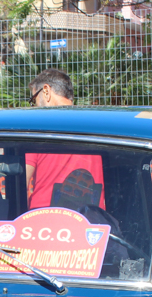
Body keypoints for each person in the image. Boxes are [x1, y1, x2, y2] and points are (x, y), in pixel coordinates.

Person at [24, 69, 106, 211]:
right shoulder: (99, 127)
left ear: (46, 91)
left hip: (43, 219)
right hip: (90, 221)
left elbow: (21, 182)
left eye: (34, 100)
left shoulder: (39, 128)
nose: (35, 106)